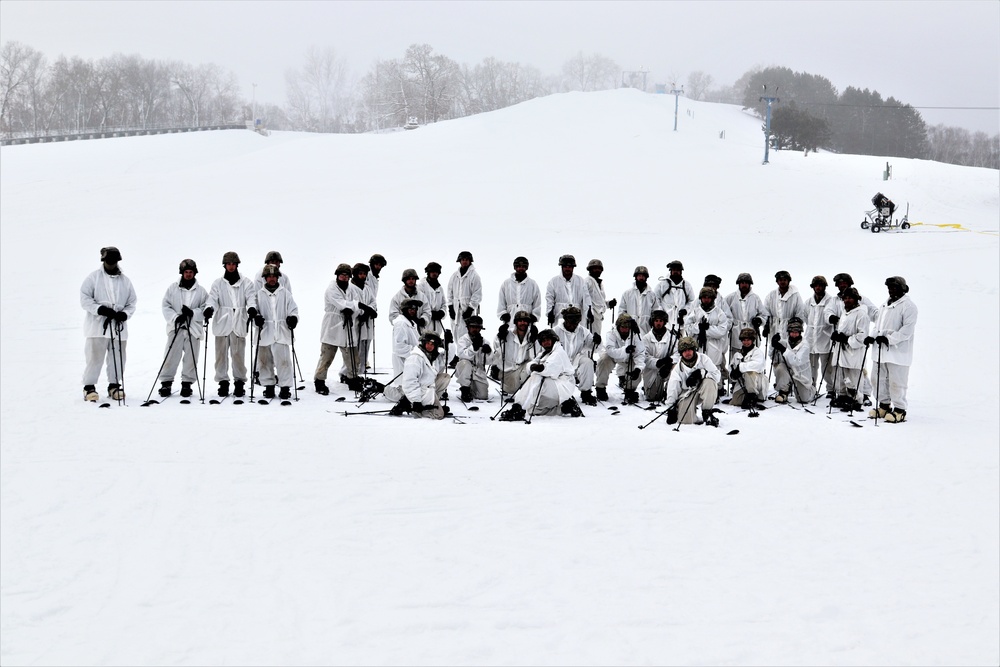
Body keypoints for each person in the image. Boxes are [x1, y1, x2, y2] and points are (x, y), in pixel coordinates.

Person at [80, 246, 137, 401]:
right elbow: (85, 298)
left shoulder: (125, 281)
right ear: (103, 260)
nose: (111, 263)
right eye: (109, 260)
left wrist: (125, 314)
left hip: (118, 327)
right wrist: (100, 310)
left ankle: (114, 384)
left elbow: (132, 302)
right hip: (98, 325)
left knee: (118, 356)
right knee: (94, 356)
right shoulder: (93, 278)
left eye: (114, 260)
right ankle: (89, 386)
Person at [498, 329, 582, 420]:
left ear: (554, 340)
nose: (545, 343)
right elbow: (530, 365)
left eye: (548, 340)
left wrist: (540, 368)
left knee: (536, 376)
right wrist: (533, 366)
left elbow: (550, 370)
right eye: (543, 341)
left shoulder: (558, 353)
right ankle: (565, 408)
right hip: (552, 387)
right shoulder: (544, 354)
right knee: (531, 410)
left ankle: (518, 408)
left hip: (563, 385)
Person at [205, 251, 256, 398]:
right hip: (223, 321)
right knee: (221, 355)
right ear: (225, 265)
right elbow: (212, 299)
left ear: (237, 265)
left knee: (238, 354)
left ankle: (239, 383)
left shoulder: (246, 282)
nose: (231, 266)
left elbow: (251, 297)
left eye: (233, 264)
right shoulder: (218, 283)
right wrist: (209, 309)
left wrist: (251, 308)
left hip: (239, 321)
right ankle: (223, 383)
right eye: (229, 264)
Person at [156, 259, 209, 398]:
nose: (188, 275)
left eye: (191, 272)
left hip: (193, 328)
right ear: (182, 272)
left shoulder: (202, 291)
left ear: (194, 273)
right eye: (186, 272)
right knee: (171, 354)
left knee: (191, 357)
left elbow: (205, 308)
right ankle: (166, 383)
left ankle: (187, 384)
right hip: (177, 327)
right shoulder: (172, 289)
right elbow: (166, 306)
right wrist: (175, 317)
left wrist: (193, 313)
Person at [314, 263, 369, 394]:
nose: (344, 278)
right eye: (342, 275)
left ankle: (353, 379)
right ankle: (319, 381)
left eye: (346, 275)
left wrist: (359, 312)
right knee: (327, 355)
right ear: (337, 276)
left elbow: (354, 304)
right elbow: (341, 304)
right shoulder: (331, 289)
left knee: (352, 355)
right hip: (332, 325)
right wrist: (355, 306)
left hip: (348, 325)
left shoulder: (352, 289)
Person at [869, 276, 918, 423]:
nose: (891, 290)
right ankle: (884, 405)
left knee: (896, 382)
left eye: (894, 287)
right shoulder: (885, 305)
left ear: (902, 288)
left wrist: (889, 339)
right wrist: (872, 336)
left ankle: (899, 409)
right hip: (880, 351)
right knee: (877, 379)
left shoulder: (908, 306)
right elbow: (878, 325)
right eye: (889, 287)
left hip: (898, 353)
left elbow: (907, 330)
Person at [252, 264, 299, 400]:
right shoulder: (259, 294)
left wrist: (293, 318)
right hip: (264, 332)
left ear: (278, 277)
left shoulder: (285, 293)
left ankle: (285, 388)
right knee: (264, 361)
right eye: (269, 276)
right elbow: (253, 310)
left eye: (274, 276)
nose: (272, 279)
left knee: (283, 361)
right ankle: (269, 386)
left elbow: (293, 309)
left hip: (281, 332)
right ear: (265, 278)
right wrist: (256, 318)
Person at [389, 331, 451, 419]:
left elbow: (447, 359)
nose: (430, 346)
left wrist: (448, 345)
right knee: (439, 415)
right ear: (423, 343)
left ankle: (431, 403)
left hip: (429, 387)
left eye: (433, 344)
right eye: (428, 343)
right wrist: (416, 401)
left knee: (445, 377)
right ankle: (410, 405)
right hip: (420, 391)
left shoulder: (432, 357)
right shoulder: (415, 358)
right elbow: (410, 381)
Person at [763, 270, 807, 393]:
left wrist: (794, 328)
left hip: (789, 331)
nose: (782, 282)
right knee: (776, 356)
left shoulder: (795, 296)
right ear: (777, 281)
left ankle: (789, 383)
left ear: (788, 281)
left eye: (785, 279)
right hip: (775, 328)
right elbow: (765, 311)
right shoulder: (771, 295)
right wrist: (766, 324)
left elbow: (799, 313)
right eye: (780, 279)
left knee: (788, 356)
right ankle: (780, 381)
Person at [683, 287, 730, 400]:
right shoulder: (695, 312)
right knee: (698, 366)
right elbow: (688, 328)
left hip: (714, 345)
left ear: (713, 298)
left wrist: (707, 329)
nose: (707, 300)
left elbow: (722, 330)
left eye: (709, 297)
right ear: (701, 298)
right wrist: (699, 328)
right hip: (699, 344)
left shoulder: (719, 313)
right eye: (704, 297)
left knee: (714, 367)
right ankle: (698, 390)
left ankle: (716, 391)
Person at [664, 336, 721, 426]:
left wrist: (701, 373)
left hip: (703, 389)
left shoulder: (704, 359)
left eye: (689, 349)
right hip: (687, 393)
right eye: (684, 350)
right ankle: (695, 418)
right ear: (681, 353)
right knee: (684, 420)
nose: (687, 353)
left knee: (710, 382)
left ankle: (707, 413)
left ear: (694, 349)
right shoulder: (678, 369)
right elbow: (672, 388)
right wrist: (671, 408)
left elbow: (717, 376)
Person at [829, 287, 871, 412]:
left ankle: (857, 400)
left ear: (856, 299)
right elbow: (843, 329)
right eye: (845, 298)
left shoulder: (861, 314)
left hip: (853, 351)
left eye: (850, 298)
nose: (847, 300)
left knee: (853, 377)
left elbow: (862, 335)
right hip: (842, 350)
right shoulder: (845, 312)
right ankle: (844, 397)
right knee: (842, 375)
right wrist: (836, 335)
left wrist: (846, 339)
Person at [596, 313, 646, 404]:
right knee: (603, 360)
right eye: (623, 327)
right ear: (618, 326)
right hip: (613, 357)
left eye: (627, 327)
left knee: (637, 368)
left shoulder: (636, 336)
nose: (625, 329)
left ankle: (629, 389)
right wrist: (625, 350)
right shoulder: (611, 334)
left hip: (629, 359)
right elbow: (610, 350)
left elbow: (640, 353)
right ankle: (600, 388)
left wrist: (638, 369)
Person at [553, 306, 598, 405]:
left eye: (576, 321)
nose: (573, 324)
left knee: (588, 362)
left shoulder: (583, 331)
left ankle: (586, 392)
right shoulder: (555, 331)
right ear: (565, 319)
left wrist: (596, 341)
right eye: (571, 320)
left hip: (576, 360)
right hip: (560, 363)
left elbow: (593, 346)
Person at [383, 298, 423, 404]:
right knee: (405, 394)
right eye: (410, 309)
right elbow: (399, 347)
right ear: (404, 310)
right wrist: (418, 352)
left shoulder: (411, 324)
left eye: (415, 309)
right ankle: (381, 389)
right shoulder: (401, 324)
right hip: (404, 363)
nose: (413, 311)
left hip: (412, 363)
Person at [447, 250, 483, 364]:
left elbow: (477, 294)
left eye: (467, 260)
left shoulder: (474, 276)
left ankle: (468, 356)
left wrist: (471, 308)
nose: (464, 262)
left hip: (467, 311)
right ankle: (458, 355)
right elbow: (450, 291)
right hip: (456, 311)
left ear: (470, 261)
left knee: (467, 333)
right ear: (459, 261)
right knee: (456, 332)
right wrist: (450, 306)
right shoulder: (454, 276)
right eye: (462, 260)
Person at [803, 275, 836, 400]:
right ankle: (812, 387)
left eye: (820, 285)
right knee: (811, 366)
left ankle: (831, 389)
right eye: (816, 285)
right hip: (811, 338)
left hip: (825, 337)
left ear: (824, 287)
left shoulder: (830, 301)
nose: (818, 288)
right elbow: (805, 316)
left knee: (827, 367)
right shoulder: (808, 302)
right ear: (813, 287)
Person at [491, 310, 538, 395]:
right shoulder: (507, 333)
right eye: (520, 321)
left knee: (531, 372)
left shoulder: (531, 335)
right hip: (507, 370)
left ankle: (525, 389)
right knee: (512, 390)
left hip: (522, 366)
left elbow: (536, 354)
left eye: (525, 321)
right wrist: (499, 336)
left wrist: (536, 338)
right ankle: (504, 383)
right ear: (516, 322)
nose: (523, 323)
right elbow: (496, 349)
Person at [771, 318, 815, 404]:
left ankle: (812, 389)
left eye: (796, 332)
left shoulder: (805, 345)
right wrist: (773, 343)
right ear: (788, 332)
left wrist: (783, 349)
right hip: (789, 371)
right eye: (792, 332)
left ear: (800, 332)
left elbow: (796, 361)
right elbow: (772, 356)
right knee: (780, 367)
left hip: (801, 374)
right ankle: (784, 391)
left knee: (803, 399)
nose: (794, 334)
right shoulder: (784, 342)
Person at [640, 310, 678, 404]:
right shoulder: (646, 338)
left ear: (664, 322)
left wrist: (669, 362)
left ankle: (670, 391)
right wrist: (658, 363)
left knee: (677, 368)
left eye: (661, 321)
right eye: (656, 321)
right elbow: (644, 356)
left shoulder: (672, 338)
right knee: (652, 397)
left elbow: (678, 354)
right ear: (652, 322)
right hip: (652, 372)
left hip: (668, 370)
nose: (658, 323)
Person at [545, 254, 592, 328]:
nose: (567, 269)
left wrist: (589, 312)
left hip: (577, 316)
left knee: (577, 336)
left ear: (573, 268)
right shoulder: (553, 281)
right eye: (565, 266)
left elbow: (586, 299)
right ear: (561, 267)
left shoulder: (581, 281)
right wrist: (549, 312)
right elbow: (549, 299)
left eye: (570, 267)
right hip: (560, 316)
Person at [359, 253, 387, 369]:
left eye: (380, 265)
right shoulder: (367, 275)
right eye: (376, 264)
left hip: (370, 309)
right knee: (360, 339)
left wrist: (373, 308)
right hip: (362, 310)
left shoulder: (375, 278)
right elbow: (362, 293)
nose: (378, 267)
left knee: (368, 337)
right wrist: (366, 309)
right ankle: (357, 364)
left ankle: (364, 361)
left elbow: (373, 296)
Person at [455, 315, 492, 403]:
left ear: (480, 329)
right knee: (464, 363)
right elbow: (461, 354)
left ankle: (471, 387)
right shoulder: (462, 340)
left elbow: (489, 362)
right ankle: (465, 388)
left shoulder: (485, 342)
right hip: (465, 370)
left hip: (478, 372)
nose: (475, 329)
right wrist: (473, 348)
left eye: (477, 327)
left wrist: (489, 353)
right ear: (468, 327)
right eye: (472, 327)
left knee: (482, 396)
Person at [729, 328, 767, 411]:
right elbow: (731, 367)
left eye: (748, 340)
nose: (746, 342)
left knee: (749, 373)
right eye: (744, 340)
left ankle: (752, 396)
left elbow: (758, 365)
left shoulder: (757, 352)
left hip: (757, 382)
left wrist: (740, 368)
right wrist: (733, 374)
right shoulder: (737, 354)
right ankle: (746, 397)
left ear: (753, 340)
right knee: (735, 402)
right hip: (743, 383)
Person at [496, 256, 542, 325]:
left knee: (526, 335)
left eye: (523, 266)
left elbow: (537, 302)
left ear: (526, 268)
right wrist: (503, 314)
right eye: (518, 266)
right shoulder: (506, 283)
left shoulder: (532, 284)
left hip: (527, 320)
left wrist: (535, 315)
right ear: (514, 267)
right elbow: (501, 301)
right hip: (510, 319)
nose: (520, 268)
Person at [620, 266, 660, 335]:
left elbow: (655, 312)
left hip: (646, 331)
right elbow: (621, 312)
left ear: (646, 277)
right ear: (635, 277)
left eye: (643, 276)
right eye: (639, 276)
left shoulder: (652, 295)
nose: (641, 278)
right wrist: (626, 323)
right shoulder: (627, 294)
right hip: (629, 331)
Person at [655, 260, 697, 327]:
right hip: (665, 322)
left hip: (681, 322)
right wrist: (661, 313)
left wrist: (685, 310)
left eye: (678, 270)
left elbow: (691, 301)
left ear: (681, 271)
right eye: (674, 270)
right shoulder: (662, 284)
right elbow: (656, 299)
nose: (675, 272)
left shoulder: (687, 285)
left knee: (682, 337)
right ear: (670, 271)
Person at [418, 261, 449, 340]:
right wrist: (429, 313)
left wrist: (442, 312)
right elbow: (419, 303)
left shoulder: (440, 288)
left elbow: (444, 304)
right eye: (432, 271)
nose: (434, 273)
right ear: (428, 272)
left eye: (436, 271)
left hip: (437, 325)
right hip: (425, 323)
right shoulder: (421, 286)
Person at [584, 259, 612, 336]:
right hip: (590, 317)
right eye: (595, 268)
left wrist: (609, 304)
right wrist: (588, 311)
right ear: (590, 269)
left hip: (598, 317)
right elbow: (584, 299)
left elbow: (599, 302)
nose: (597, 270)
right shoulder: (587, 282)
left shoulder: (600, 284)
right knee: (589, 340)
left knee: (596, 340)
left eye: (599, 268)